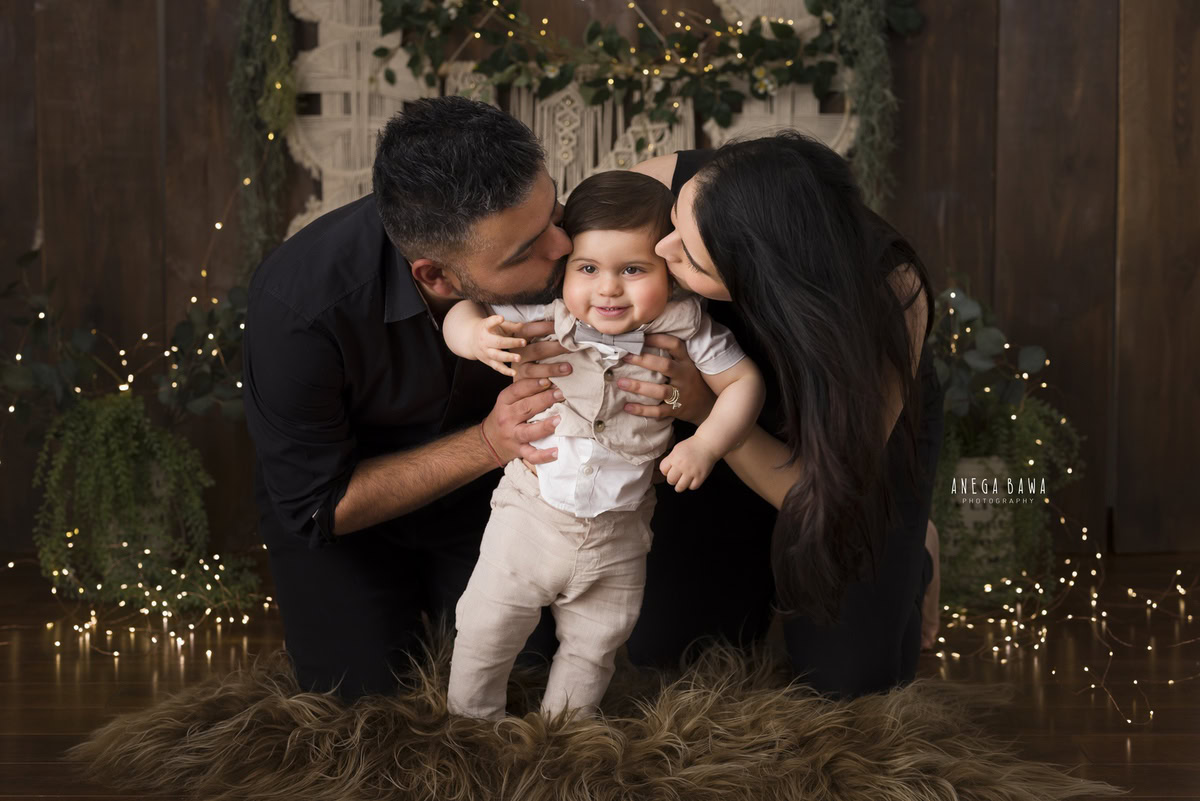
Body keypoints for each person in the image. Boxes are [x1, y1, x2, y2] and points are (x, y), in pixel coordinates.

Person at [242, 96, 585, 701]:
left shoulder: (556, 241)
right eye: (525, 251)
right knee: (360, 706)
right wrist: (488, 441)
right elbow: (320, 507)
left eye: (553, 211)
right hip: (352, 521)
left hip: (496, 499)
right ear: (437, 277)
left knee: (527, 683)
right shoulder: (299, 305)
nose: (561, 247)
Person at [615, 134, 945, 699]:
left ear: (761, 284)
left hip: (835, 454)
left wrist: (707, 405)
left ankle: (914, 546)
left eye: (690, 258)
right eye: (674, 220)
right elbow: (571, 275)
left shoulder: (890, 297)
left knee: (850, 686)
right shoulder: (665, 184)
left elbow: (824, 495)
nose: (662, 249)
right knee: (666, 659)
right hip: (701, 432)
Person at [440, 170, 764, 720]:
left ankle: (566, 732)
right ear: (565, 269)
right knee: (486, 626)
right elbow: (460, 310)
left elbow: (744, 384)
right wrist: (474, 337)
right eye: (587, 269)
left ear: (670, 272)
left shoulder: (687, 325)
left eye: (633, 270)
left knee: (595, 646)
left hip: (619, 533)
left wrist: (706, 444)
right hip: (529, 517)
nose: (608, 288)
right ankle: (470, 722)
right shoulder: (546, 314)